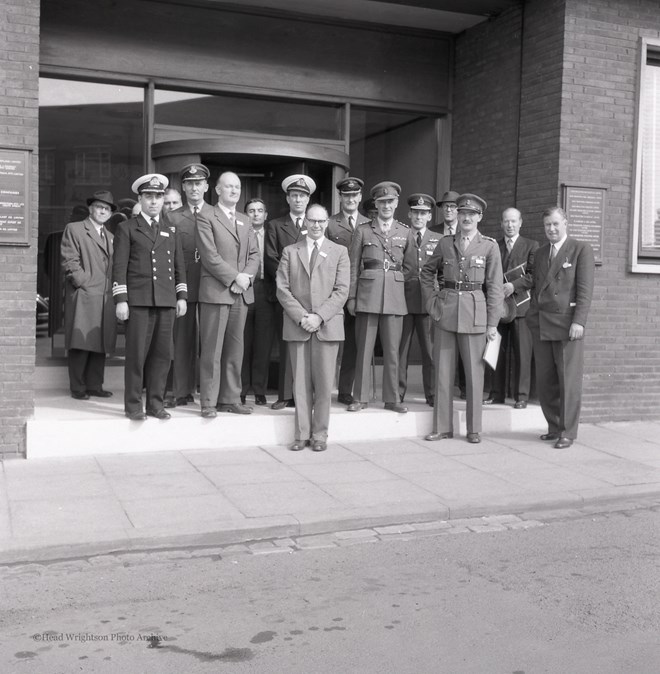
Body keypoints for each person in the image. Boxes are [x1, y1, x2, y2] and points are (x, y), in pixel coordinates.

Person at [420, 193, 503, 443]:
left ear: (480, 217)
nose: (466, 218)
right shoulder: (445, 243)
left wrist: (492, 323)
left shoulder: (489, 245)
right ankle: (443, 427)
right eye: (463, 213)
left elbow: (495, 287)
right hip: (446, 312)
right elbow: (426, 272)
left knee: (474, 376)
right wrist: (431, 302)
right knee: (443, 373)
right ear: (457, 215)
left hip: (475, 316)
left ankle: (474, 428)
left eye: (472, 214)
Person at [112, 174, 187, 421]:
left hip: (166, 301)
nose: (154, 201)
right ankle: (133, 406)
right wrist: (121, 299)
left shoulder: (169, 229)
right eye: (148, 196)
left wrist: (181, 295)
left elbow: (179, 266)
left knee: (162, 355)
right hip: (139, 301)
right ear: (140, 199)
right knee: (136, 355)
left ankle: (155, 404)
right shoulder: (126, 228)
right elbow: (119, 266)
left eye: (158, 196)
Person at [276, 204, 350, 452]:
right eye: (311, 221)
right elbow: (282, 289)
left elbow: (342, 291)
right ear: (305, 222)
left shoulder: (339, 251)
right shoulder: (290, 251)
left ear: (327, 222)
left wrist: (318, 316)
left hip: (327, 326)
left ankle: (320, 435)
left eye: (320, 221)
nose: (316, 225)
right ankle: (302, 434)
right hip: (298, 326)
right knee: (301, 385)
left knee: (324, 383)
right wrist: (302, 317)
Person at [526, 206, 594, 448]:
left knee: (568, 380)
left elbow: (585, 290)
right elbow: (534, 283)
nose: (551, 229)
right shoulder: (541, 251)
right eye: (547, 225)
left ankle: (567, 432)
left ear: (565, 222)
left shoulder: (580, 249)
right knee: (546, 381)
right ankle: (553, 427)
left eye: (556, 224)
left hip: (567, 324)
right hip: (542, 323)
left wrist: (579, 321)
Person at [346, 181, 414, 414]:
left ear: (396, 204)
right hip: (367, 295)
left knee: (393, 351)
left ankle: (392, 398)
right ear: (375, 203)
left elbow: (411, 267)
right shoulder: (363, 231)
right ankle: (361, 397)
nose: (386, 206)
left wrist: (394, 282)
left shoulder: (405, 232)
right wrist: (352, 298)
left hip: (394, 297)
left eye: (390, 202)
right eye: (382, 202)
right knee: (364, 349)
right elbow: (353, 266)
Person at [196, 171, 259, 418]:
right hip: (217, 291)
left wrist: (244, 279)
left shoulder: (245, 220)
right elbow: (210, 255)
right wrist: (235, 277)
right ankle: (209, 402)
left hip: (240, 293)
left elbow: (254, 255)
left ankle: (230, 398)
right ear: (217, 190)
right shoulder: (205, 216)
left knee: (235, 348)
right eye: (228, 187)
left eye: (237, 187)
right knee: (212, 349)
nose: (233, 191)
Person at [264, 174, 317, 410]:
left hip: (313, 295)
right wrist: (291, 285)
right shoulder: (276, 225)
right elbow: (271, 258)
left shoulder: (315, 225)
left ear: (308, 200)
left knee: (310, 346)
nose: (298, 200)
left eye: (302, 196)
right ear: (287, 198)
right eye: (294, 195)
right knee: (287, 344)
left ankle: (304, 394)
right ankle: (286, 394)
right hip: (286, 296)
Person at [164, 163, 214, 408]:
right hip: (183, 286)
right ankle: (181, 391)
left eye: (199, 183)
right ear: (183, 187)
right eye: (190, 183)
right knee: (182, 342)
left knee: (210, 343)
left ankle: (209, 393)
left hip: (211, 286)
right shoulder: (172, 216)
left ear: (206, 186)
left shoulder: (216, 215)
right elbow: (168, 255)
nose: (195, 188)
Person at [61, 190, 118, 400]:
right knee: (81, 343)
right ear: (91, 208)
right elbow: (70, 262)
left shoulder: (111, 237)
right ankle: (78, 387)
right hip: (85, 295)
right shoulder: (75, 229)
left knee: (100, 343)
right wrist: (84, 283)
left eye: (107, 209)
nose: (102, 211)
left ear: (110, 214)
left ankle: (95, 385)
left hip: (105, 297)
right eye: (99, 207)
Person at [485, 207, 538, 409]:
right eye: (506, 221)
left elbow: (534, 275)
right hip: (499, 308)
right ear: (501, 224)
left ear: (520, 222)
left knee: (522, 353)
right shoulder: (493, 246)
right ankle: (496, 393)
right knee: (496, 350)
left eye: (514, 221)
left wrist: (513, 286)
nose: (510, 225)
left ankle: (521, 396)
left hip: (521, 309)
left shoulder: (532, 246)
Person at [326, 177, 369, 405]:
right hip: (333, 290)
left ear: (360, 197)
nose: (350, 199)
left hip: (360, 291)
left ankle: (344, 390)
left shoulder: (369, 223)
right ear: (340, 198)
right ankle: (323, 386)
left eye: (354, 195)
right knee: (329, 340)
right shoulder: (329, 224)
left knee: (352, 343)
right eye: (346, 195)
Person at [398, 193, 440, 407]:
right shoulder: (400, 236)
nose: (418, 217)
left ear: (429, 216)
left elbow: (442, 272)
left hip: (427, 303)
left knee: (430, 352)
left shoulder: (438, 239)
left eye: (423, 213)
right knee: (401, 351)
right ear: (409, 213)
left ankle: (431, 394)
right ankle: (397, 393)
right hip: (403, 301)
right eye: (415, 212)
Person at [241, 197, 274, 406]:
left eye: (259, 210)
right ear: (246, 214)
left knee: (263, 343)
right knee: (243, 342)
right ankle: (242, 388)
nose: (255, 214)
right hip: (244, 288)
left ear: (265, 215)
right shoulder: (240, 233)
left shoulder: (272, 233)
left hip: (266, 290)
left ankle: (260, 389)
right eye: (251, 210)